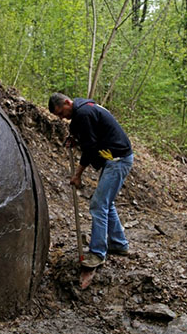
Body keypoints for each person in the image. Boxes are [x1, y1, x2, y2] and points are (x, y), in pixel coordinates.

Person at [48, 93, 133, 268]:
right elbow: (88, 132)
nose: (62, 118)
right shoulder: (84, 109)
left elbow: (89, 147)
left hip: (117, 160)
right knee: (106, 203)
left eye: (61, 113)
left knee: (98, 204)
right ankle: (118, 244)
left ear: (67, 102)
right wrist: (74, 137)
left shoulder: (84, 113)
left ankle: (97, 253)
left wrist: (78, 174)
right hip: (116, 158)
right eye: (58, 116)